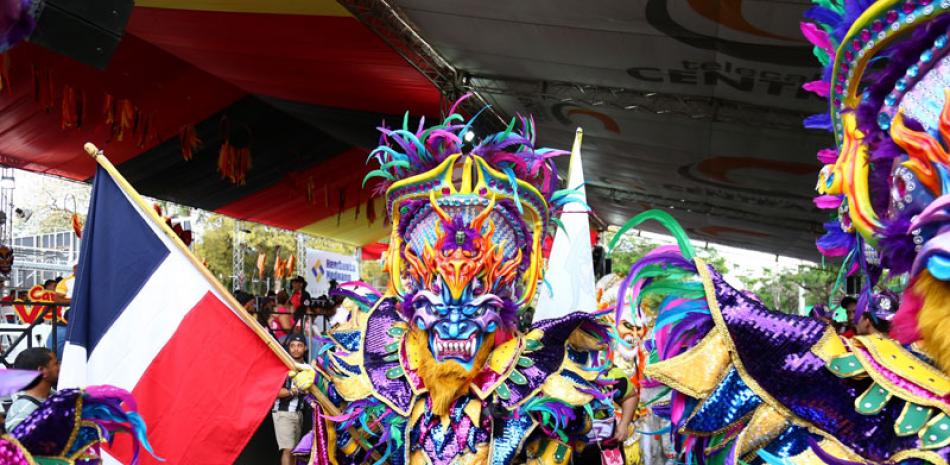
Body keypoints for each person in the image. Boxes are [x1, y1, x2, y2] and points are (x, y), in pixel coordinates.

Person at [5, 347, 59, 431]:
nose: (60, 367)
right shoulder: (22, 413)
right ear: (41, 371)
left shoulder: (57, 397)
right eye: (56, 363)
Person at [273, 334, 307, 465]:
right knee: (289, 450)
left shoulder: (308, 368)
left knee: (295, 451)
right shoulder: (283, 366)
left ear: (305, 348)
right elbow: (275, 391)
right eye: (292, 346)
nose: (295, 349)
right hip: (283, 413)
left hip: (299, 414)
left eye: (299, 346)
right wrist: (296, 391)